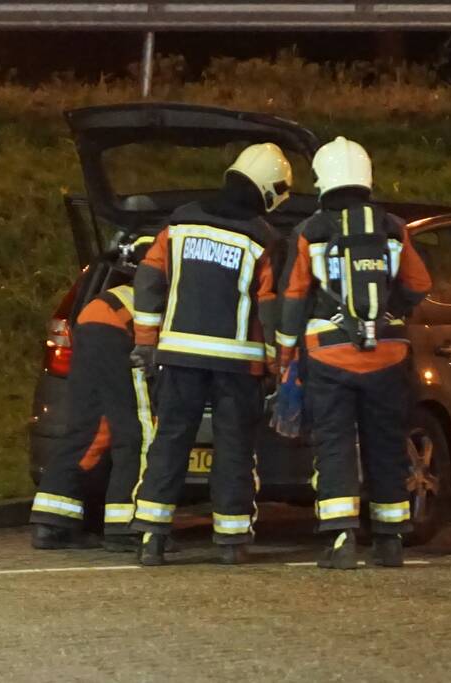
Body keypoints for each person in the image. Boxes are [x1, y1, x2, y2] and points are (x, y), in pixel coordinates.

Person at [129, 143, 291, 566]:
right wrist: (277, 364)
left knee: (169, 441)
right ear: (268, 191)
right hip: (237, 364)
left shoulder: (180, 221)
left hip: (179, 355)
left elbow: (148, 280)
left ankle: (151, 535)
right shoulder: (262, 237)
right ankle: (231, 540)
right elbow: (269, 307)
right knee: (235, 447)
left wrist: (146, 342)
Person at [276, 136, 432, 569]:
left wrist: (286, 353)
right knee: (386, 441)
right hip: (388, 354)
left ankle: (341, 539)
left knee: (335, 444)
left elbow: (293, 295)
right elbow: (420, 285)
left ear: (323, 178)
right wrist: (389, 313)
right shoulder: (393, 227)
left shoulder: (310, 230)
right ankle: (390, 538)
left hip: (329, 354)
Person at [30, 239, 154, 552]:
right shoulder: (171, 292)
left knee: (90, 429)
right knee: (135, 432)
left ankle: (51, 522)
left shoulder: (118, 291)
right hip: (117, 334)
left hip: (88, 323)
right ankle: (124, 526)